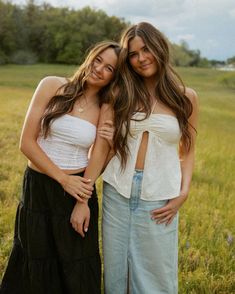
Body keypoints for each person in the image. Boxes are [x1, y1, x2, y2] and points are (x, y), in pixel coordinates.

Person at [72, 22, 198, 294]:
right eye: (133, 53)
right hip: (118, 192)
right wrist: (83, 196)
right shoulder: (120, 93)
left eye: (146, 49)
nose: (141, 58)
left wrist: (184, 191)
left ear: (159, 48)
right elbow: (103, 148)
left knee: (157, 278)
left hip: (159, 196)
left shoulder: (186, 98)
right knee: (117, 276)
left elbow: (188, 150)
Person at [0, 40, 120, 294]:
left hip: (78, 190)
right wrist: (63, 179)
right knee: (34, 261)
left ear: (114, 77)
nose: (99, 69)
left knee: (75, 266)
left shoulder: (106, 107)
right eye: (98, 60)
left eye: (109, 68)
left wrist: (82, 201)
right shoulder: (52, 85)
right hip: (39, 187)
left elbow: (98, 155)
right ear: (90, 57)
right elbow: (26, 143)